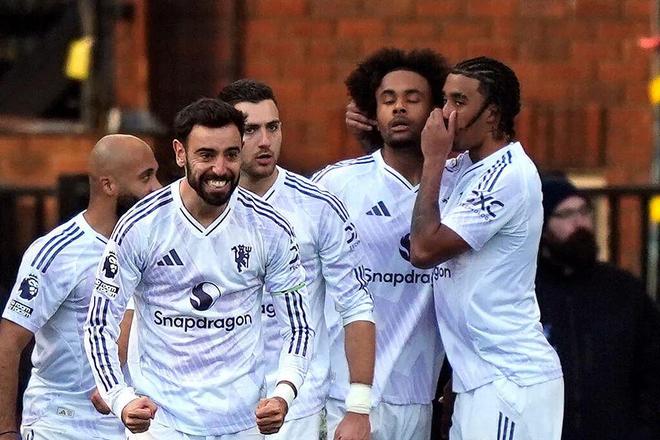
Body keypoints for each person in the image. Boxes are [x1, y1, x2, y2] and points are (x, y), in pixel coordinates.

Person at [84, 98, 314, 439]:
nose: (220, 169)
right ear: (180, 154)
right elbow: (99, 322)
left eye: (231, 155)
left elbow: (299, 326)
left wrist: (284, 393)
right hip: (162, 425)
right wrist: (120, 398)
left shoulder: (270, 227)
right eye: (206, 155)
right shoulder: (141, 225)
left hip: (243, 425)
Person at [410, 56, 564, 440]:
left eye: (459, 102)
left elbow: (424, 249)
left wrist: (433, 160)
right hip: (476, 379)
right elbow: (404, 182)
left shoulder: (509, 174)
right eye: (444, 99)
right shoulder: (463, 166)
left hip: (510, 378)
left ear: (492, 114)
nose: (446, 113)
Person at [218, 79, 376, 440]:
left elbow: (356, 305)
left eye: (273, 127)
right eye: (250, 130)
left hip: (297, 407)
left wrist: (358, 407)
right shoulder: (200, 207)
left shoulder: (317, 206)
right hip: (218, 404)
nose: (265, 141)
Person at [313, 47, 448, 440]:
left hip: (418, 394)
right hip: (342, 394)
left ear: (435, 110)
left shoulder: (457, 186)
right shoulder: (336, 184)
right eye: (388, 100)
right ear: (373, 112)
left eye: (412, 98)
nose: (399, 107)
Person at [0, 134, 160, 440]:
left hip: (132, 424)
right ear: (108, 185)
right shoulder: (58, 252)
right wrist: (5, 430)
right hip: (63, 423)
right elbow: (9, 341)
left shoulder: (154, 247)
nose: (157, 188)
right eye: (146, 177)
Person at [536, 177, 660, 440]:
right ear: (543, 228)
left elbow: (652, 365)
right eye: (566, 215)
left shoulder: (623, 290)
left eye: (584, 211)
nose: (580, 222)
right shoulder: (527, 294)